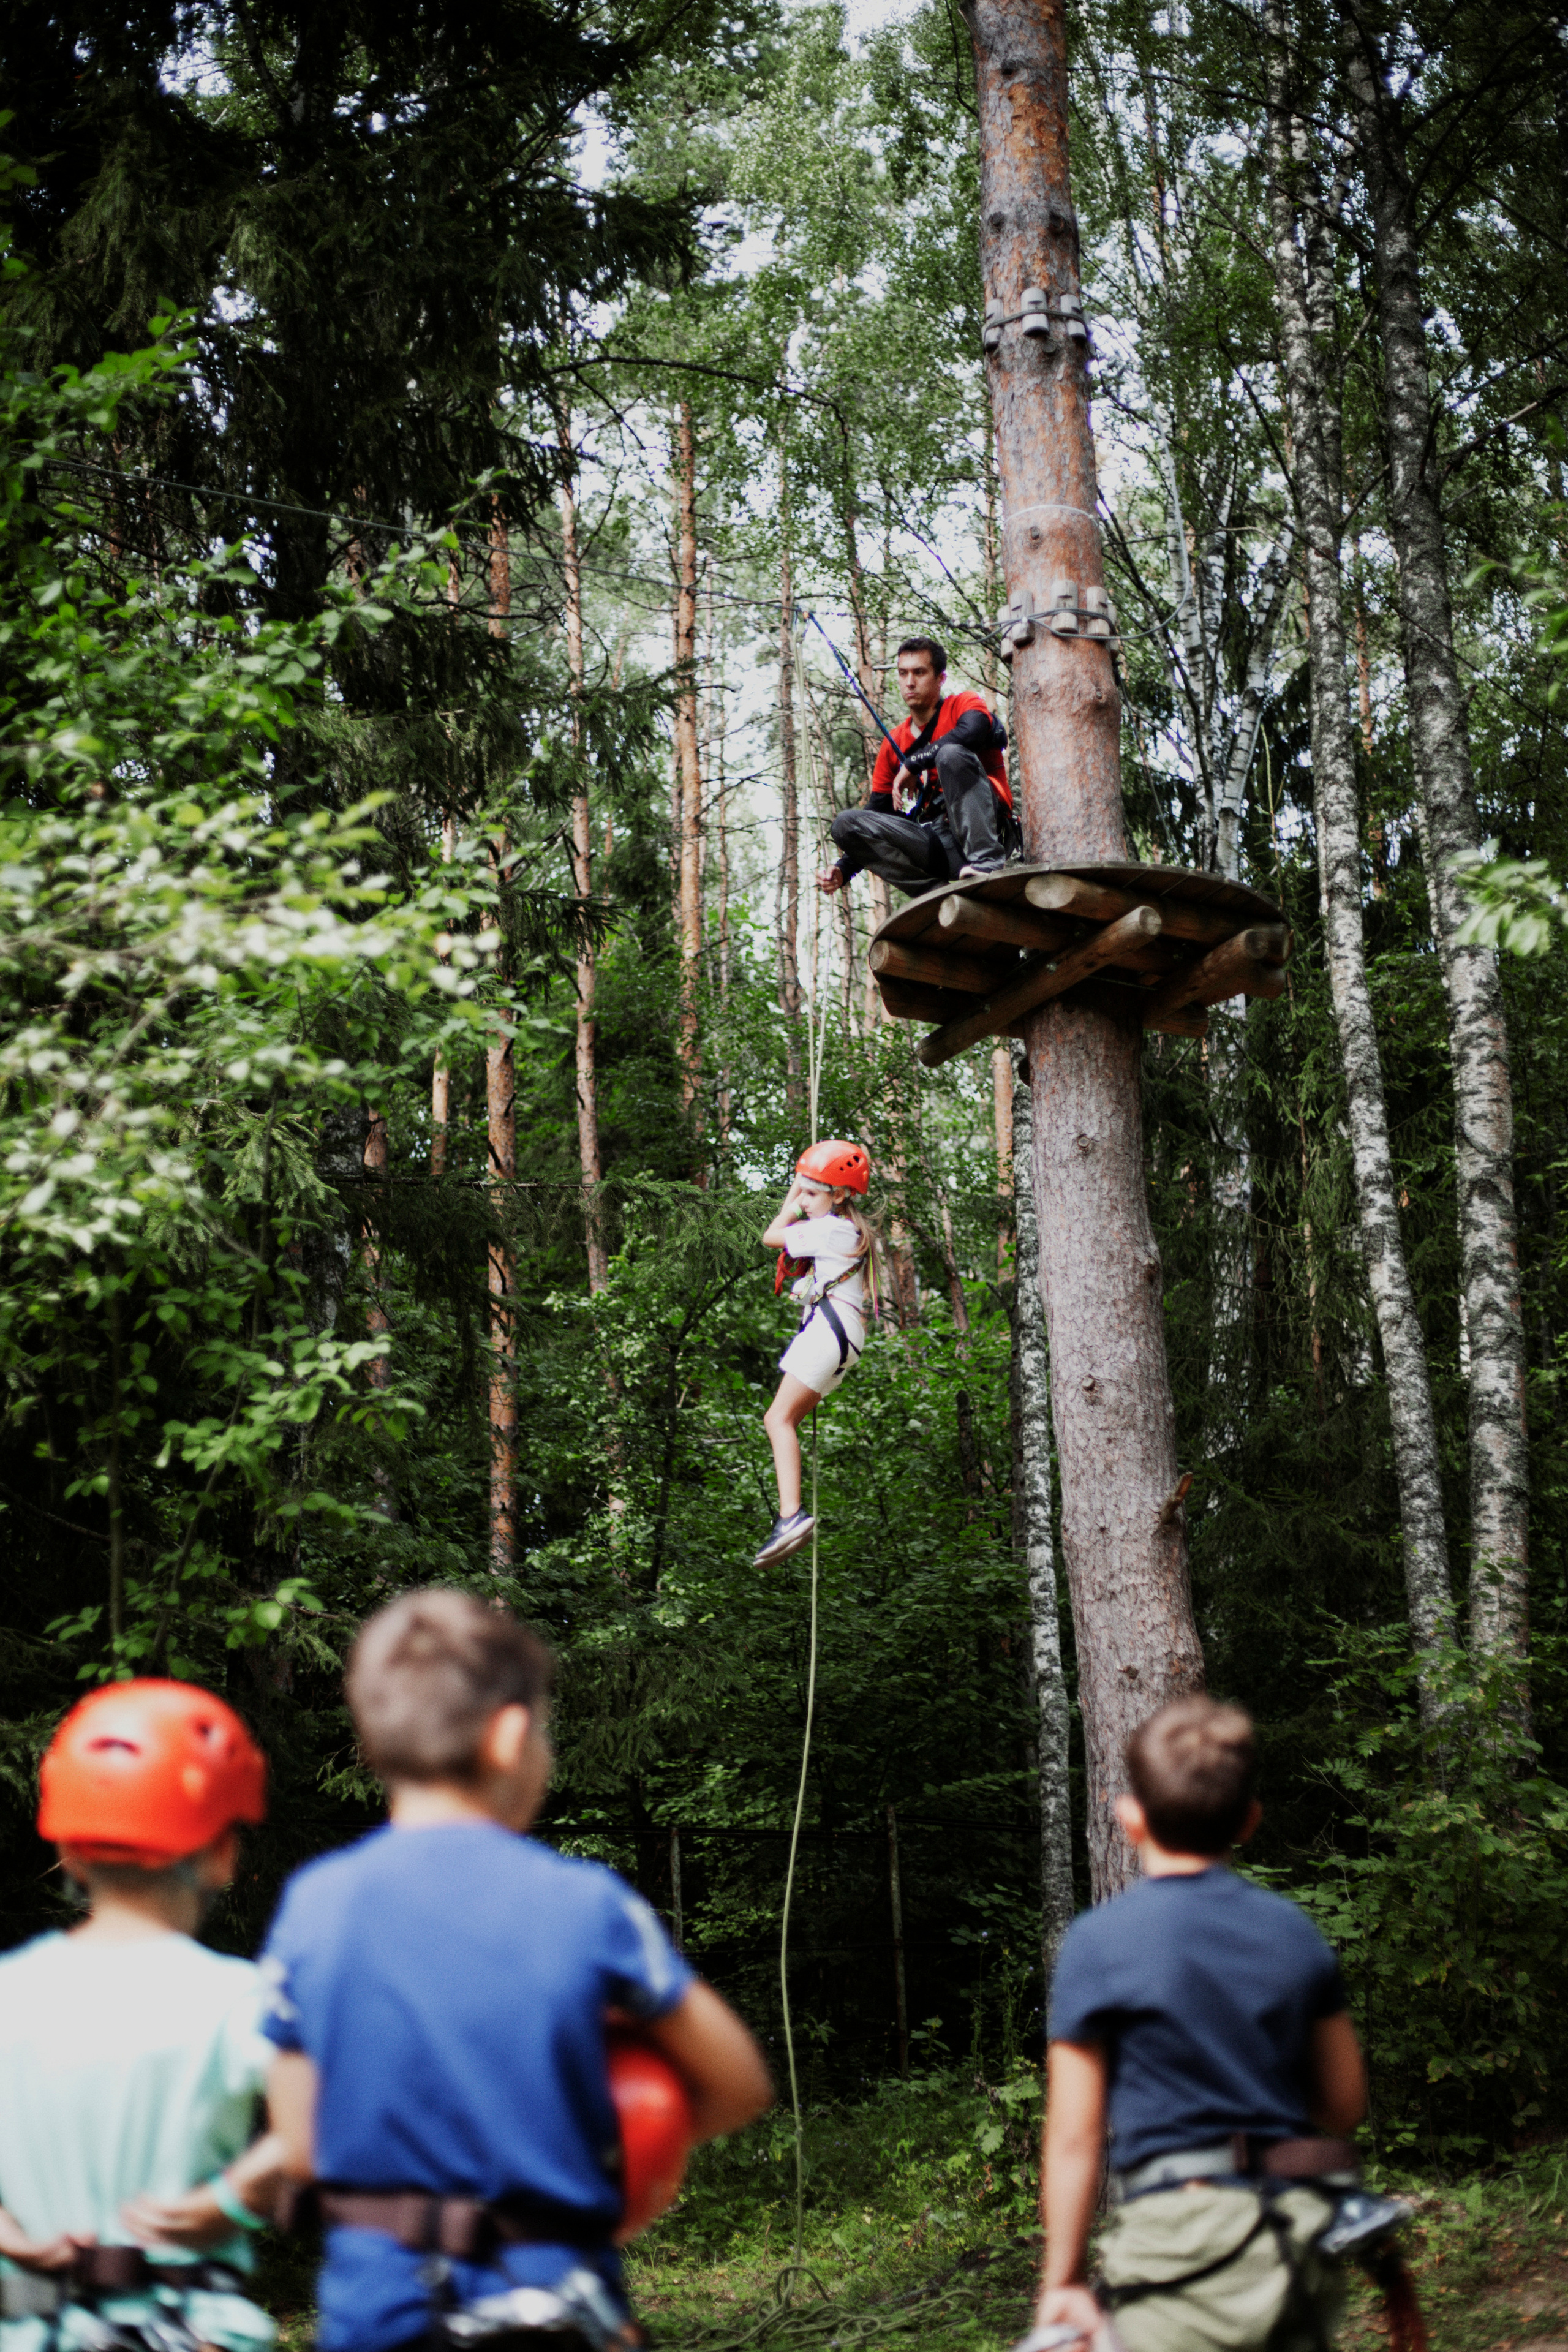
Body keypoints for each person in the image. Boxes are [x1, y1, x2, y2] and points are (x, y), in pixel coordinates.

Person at [258, 1589, 773, 2352]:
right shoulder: (587, 1905)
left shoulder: (313, 1905)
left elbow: (299, 2145)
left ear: (373, 1740)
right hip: (552, 2296)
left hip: (377, 2311)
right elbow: (738, 2083)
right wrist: (618, 2152)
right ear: (507, 1737)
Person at [1035, 1697, 1371, 2352]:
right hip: (1295, 2240)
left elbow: (1075, 2137)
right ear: (1249, 1821)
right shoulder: (1292, 1932)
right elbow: (1344, 2106)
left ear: (1129, 1818)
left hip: (1176, 2247)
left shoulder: (1098, 1943)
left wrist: (1062, 2281)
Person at [0, 1680, 284, 2352]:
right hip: (193, 2331)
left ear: (66, 1849)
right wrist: (234, 2200)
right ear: (222, 1855)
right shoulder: (240, 1998)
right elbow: (315, 2134)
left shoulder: (8, 1992)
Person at [755, 1140, 876, 1568]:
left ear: (839, 1194)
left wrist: (789, 1199)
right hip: (843, 1338)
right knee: (787, 1420)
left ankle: (791, 1516)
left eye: (812, 1192)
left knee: (777, 1419)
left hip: (828, 1333)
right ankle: (791, 1514)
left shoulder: (828, 1228)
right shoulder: (844, 1230)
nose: (804, 1201)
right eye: (802, 1193)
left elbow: (770, 1237)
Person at [817, 636, 1014, 900]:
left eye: (920, 672)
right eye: (903, 673)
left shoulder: (964, 703)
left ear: (940, 678)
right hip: (937, 842)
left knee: (951, 755)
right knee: (845, 825)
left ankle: (987, 864)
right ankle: (934, 894)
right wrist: (843, 870)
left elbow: (974, 730)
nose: (910, 682)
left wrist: (914, 763)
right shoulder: (893, 743)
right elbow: (878, 812)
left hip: (990, 830)